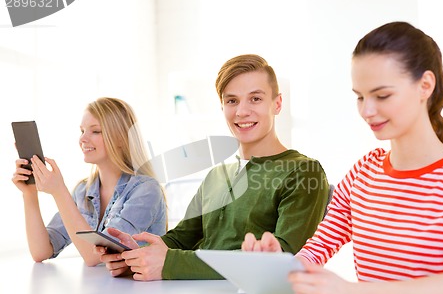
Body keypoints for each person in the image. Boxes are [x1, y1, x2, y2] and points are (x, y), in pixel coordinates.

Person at [242, 21, 443, 294]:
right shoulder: (363, 173)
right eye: (360, 96)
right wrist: (279, 267)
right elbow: (316, 250)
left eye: (382, 95)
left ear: (425, 85)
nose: (367, 111)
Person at [98, 54, 330, 281]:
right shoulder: (216, 175)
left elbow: (286, 256)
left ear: (277, 104)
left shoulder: (304, 172)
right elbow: (182, 239)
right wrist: (137, 255)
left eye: (255, 99)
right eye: (232, 101)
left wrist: (170, 263)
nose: (241, 111)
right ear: (222, 107)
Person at [12, 97, 167, 266]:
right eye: (82, 131)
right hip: (102, 290)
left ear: (121, 139)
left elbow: (96, 256)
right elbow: (41, 251)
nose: (83, 139)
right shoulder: (83, 191)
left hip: (142, 291)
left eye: (95, 131)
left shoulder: (146, 190)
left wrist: (59, 191)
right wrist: (30, 194)